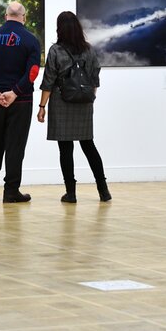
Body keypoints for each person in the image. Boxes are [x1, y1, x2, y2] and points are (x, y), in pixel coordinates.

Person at [37, 11, 111, 203]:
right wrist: (88, 98)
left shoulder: (56, 50)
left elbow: (49, 81)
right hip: (85, 103)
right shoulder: (89, 49)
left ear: (59, 28)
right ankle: (103, 190)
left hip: (62, 102)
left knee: (65, 149)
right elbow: (95, 77)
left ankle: (71, 193)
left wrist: (42, 106)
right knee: (89, 145)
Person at [0, 1, 41, 203]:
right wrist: (14, 92)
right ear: (24, 17)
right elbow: (33, 72)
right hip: (21, 102)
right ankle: (11, 191)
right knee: (15, 146)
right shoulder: (31, 40)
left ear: (5, 16)